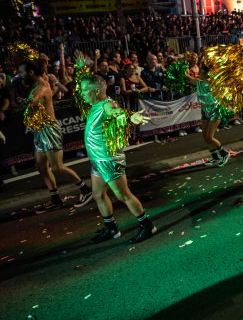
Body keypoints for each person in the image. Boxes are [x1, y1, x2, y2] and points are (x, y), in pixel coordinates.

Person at [79, 75, 157, 244]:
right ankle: (111, 229)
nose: (82, 93)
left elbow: (115, 111)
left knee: (123, 195)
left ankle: (147, 225)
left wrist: (130, 116)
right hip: (97, 161)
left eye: (85, 89)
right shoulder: (94, 105)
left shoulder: (106, 104)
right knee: (98, 194)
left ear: (97, 90)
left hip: (109, 160)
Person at [18, 59, 93, 213]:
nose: (19, 76)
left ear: (31, 72)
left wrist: (27, 101)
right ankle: (55, 199)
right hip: (39, 131)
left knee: (57, 167)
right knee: (41, 166)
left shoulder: (42, 86)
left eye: (21, 73)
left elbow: (34, 98)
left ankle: (86, 190)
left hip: (49, 130)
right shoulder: (37, 82)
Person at [185, 59, 230, 166]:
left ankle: (224, 154)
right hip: (204, 111)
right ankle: (214, 157)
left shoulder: (213, 83)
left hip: (214, 110)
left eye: (201, 73)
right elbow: (187, 77)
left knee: (210, 137)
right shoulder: (199, 83)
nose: (198, 74)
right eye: (199, 72)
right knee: (205, 136)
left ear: (206, 74)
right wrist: (183, 66)